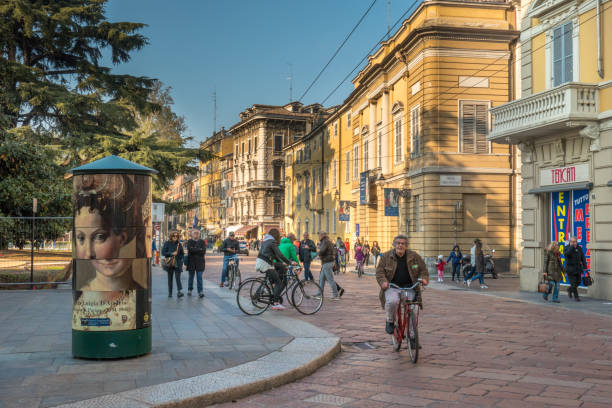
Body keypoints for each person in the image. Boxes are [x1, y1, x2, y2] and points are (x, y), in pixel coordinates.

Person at [376, 235, 429, 343]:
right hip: (392, 287)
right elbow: (380, 272)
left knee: (413, 310)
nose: (400, 245)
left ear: (406, 246)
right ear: (394, 244)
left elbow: (423, 270)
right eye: (398, 243)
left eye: (403, 243)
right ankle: (390, 321)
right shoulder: (386, 256)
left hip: (410, 287)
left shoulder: (414, 256)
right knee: (392, 301)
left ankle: (413, 338)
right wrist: (383, 282)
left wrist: (424, 279)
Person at [255, 228, 295, 310]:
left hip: (261, 262)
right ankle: (275, 303)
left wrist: (281, 263)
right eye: (278, 235)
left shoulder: (266, 240)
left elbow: (275, 256)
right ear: (275, 235)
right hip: (266, 264)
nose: (279, 237)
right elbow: (280, 255)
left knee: (272, 279)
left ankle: (260, 293)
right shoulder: (272, 241)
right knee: (279, 282)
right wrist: (290, 262)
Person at [318, 231, 344, 300]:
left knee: (330, 279)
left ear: (323, 235)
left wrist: (318, 252)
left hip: (327, 262)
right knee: (322, 279)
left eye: (319, 235)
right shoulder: (326, 241)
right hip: (326, 262)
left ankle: (335, 295)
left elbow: (322, 250)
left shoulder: (325, 241)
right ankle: (319, 293)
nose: (318, 236)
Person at [162, 231, 184, 297]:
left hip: (177, 263)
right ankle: (170, 293)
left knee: (178, 278)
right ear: (171, 236)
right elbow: (163, 252)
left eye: (176, 236)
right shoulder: (167, 243)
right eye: (174, 236)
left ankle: (179, 292)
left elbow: (182, 253)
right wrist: (171, 253)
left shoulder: (179, 244)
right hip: (170, 263)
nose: (175, 237)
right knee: (170, 278)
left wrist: (181, 259)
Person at [564, 236, 586, 301]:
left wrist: (585, 266)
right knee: (573, 284)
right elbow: (566, 254)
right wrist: (571, 247)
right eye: (572, 242)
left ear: (577, 242)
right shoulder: (566, 248)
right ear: (570, 242)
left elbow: (582, 257)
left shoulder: (579, 248)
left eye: (575, 242)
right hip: (570, 269)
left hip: (578, 268)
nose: (574, 243)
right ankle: (576, 297)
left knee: (578, 282)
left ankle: (569, 289)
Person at [185, 229, 206, 298]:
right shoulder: (189, 241)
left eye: (197, 233)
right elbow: (189, 249)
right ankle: (189, 290)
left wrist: (194, 249)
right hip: (191, 262)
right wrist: (198, 249)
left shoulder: (202, 242)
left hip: (200, 263)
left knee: (199, 277)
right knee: (191, 277)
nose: (196, 235)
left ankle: (200, 291)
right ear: (192, 234)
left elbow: (203, 251)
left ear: (199, 235)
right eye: (195, 233)